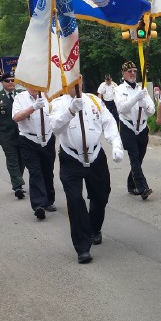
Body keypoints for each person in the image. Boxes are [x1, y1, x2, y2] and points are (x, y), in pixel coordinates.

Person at [50, 77, 124, 264]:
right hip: (71, 158)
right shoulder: (58, 103)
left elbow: (108, 122)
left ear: (82, 82)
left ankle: (94, 228)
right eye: (71, 82)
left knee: (101, 195)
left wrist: (115, 143)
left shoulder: (94, 101)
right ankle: (82, 247)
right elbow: (55, 127)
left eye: (79, 81)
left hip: (95, 155)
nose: (76, 85)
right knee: (75, 201)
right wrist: (70, 111)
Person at [12, 87, 56, 220]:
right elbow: (16, 117)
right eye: (32, 84)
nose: (35, 88)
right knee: (35, 171)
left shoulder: (49, 96)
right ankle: (39, 205)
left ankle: (48, 199)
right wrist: (33, 107)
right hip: (28, 139)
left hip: (47, 138)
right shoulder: (20, 97)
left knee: (48, 170)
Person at [113, 61, 155, 200]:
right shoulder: (119, 90)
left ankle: (131, 183)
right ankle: (143, 188)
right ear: (123, 73)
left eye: (135, 71)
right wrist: (135, 98)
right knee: (134, 157)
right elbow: (121, 109)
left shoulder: (141, 88)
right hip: (128, 126)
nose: (132, 73)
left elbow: (152, 110)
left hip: (142, 127)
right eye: (129, 71)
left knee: (140, 157)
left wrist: (145, 104)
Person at [0, 71, 26, 199]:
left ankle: (18, 180)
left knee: (22, 160)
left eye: (12, 80)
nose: (11, 82)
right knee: (12, 160)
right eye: (7, 81)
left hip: (22, 133)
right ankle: (18, 186)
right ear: (2, 83)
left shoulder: (22, 95)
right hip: (6, 134)